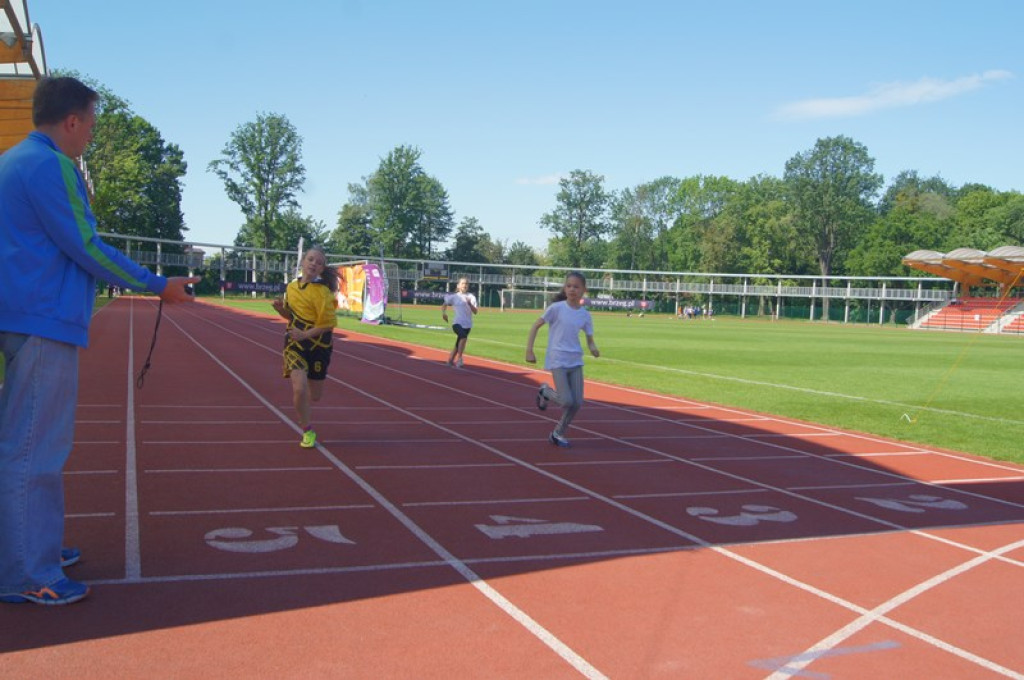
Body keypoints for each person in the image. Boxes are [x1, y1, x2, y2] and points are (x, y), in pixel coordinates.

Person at [0, 76, 199, 606]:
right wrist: (159, 285)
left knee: (25, 444)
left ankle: (29, 548)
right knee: (34, 451)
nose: (90, 133)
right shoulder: (52, 166)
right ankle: (27, 571)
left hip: (23, 314)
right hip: (42, 319)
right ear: (71, 121)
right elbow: (85, 244)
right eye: (90, 122)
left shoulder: (13, 162)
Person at [272, 247, 339, 448]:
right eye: (310, 259)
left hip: (319, 345)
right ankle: (307, 429)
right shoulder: (291, 288)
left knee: (314, 396)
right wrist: (280, 310)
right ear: (302, 262)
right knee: (299, 389)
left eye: (318, 262)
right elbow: (292, 317)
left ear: (322, 269)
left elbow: (328, 324)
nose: (313, 264)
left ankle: (306, 406)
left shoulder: (323, 293)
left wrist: (305, 334)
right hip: (295, 344)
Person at [524, 271, 600, 447]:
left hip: (575, 361)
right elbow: (536, 326)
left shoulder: (585, 315)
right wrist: (529, 350)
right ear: (565, 288)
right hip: (558, 358)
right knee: (566, 401)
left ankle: (557, 433)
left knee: (577, 403)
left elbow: (589, 338)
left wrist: (593, 348)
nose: (572, 289)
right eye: (569, 286)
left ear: (584, 290)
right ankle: (544, 391)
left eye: (576, 286)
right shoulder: (556, 309)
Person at [440, 277, 478, 368]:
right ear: (458, 285)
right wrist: (444, 313)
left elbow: (475, 312)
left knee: (458, 343)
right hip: (457, 323)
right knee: (463, 337)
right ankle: (460, 358)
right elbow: (444, 304)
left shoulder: (471, 297)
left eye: (466, 284)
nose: (465, 285)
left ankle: (450, 360)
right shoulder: (454, 296)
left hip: (468, 325)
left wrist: (469, 304)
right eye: (463, 283)